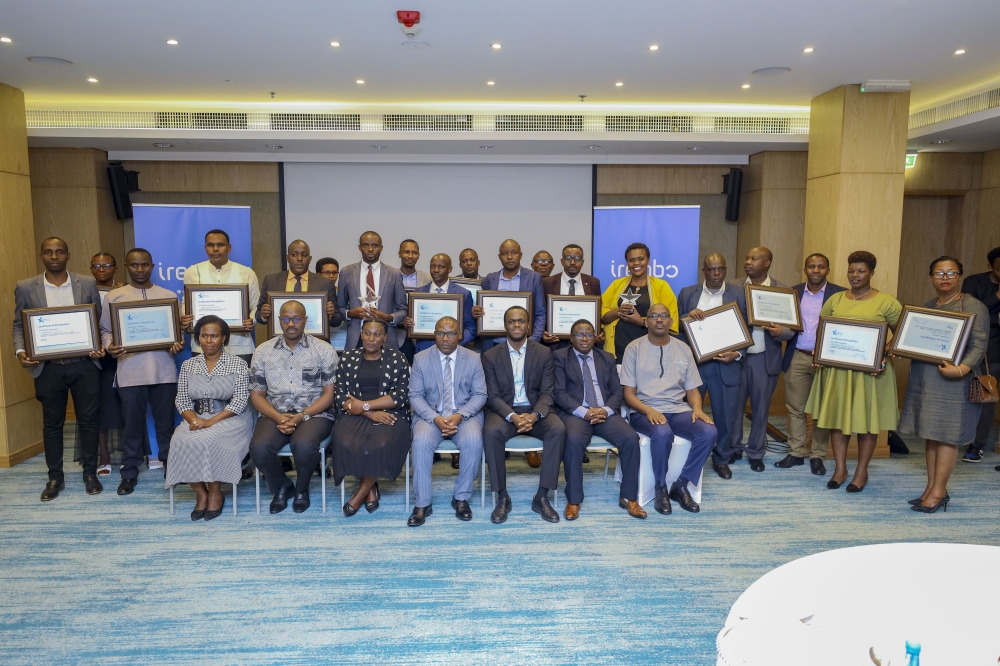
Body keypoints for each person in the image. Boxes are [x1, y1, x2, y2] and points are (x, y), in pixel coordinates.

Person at [13, 237, 105, 501]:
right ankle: (55, 477)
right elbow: (19, 325)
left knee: (89, 421)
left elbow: (96, 321)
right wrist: (21, 352)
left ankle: (90, 473)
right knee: (52, 423)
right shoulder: (26, 287)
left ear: (68, 255)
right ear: (41, 255)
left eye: (60, 252)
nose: (54, 256)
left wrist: (98, 345)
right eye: (49, 252)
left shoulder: (86, 283)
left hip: (85, 366)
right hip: (47, 368)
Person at [806, 251, 903, 493]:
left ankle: (861, 471)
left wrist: (883, 354)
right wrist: (819, 355)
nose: (855, 275)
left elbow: (900, 336)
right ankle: (840, 469)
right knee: (837, 421)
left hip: (869, 375)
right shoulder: (836, 299)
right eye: (851, 271)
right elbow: (823, 331)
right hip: (838, 372)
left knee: (866, 423)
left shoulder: (887, 302)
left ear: (871, 273)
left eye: (861, 271)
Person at [898, 257, 989, 513]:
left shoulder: (973, 306)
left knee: (947, 436)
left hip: (955, 382)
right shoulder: (927, 306)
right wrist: (900, 349)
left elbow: (979, 344)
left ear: (960, 276)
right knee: (932, 435)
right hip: (927, 380)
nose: (945, 278)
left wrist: (961, 369)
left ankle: (938, 492)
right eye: (939, 273)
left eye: (951, 273)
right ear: (931, 277)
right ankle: (932, 487)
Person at [101, 248, 185, 496]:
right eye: (135, 265)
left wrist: (177, 343)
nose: (140, 269)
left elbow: (175, 332)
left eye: (145, 265)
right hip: (130, 371)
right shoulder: (114, 297)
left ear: (152, 266)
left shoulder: (168, 296)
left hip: (164, 370)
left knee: (165, 423)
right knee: (132, 424)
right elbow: (105, 330)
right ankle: (129, 471)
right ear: (127, 267)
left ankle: (172, 465)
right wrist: (110, 346)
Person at [620, 304, 716, 515]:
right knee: (663, 433)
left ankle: (681, 485)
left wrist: (697, 409)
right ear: (646, 322)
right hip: (644, 411)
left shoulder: (684, 348)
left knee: (709, 431)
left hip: (677, 409)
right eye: (654, 316)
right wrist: (648, 410)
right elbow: (628, 395)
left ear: (671, 321)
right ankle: (660, 487)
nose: (659, 320)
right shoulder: (633, 348)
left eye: (664, 316)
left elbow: (692, 390)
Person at [249, 300, 338, 514]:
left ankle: (301, 489)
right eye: (286, 319)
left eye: (296, 318)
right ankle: (282, 485)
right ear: (279, 321)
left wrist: (301, 416)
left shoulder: (323, 351)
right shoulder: (263, 351)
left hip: (314, 413)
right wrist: (278, 417)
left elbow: (329, 395)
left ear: (305, 321)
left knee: (304, 444)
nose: (291, 324)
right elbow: (257, 395)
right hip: (274, 413)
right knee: (258, 448)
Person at [481, 306, 566, 524]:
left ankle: (542, 496)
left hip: (536, 410)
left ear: (528, 325)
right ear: (505, 325)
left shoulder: (544, 352)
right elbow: (492, 396)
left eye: (521, 321)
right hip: (505, 412)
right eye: (512, 321)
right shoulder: (490, 356)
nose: (517, 325)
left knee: (558, 429)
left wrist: (535, 415)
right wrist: (513, 417)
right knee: (491, 433)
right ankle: (502, 497)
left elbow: (548, 392)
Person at [553, 319, 645, 520]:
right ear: (571, 338)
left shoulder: (607, 358)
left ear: (596, 337)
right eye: (579, 334)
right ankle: (574, 500)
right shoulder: (560, 357)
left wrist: (605, 410)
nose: (584, 338)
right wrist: (584, 412)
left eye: (589, 334)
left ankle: (629, 497)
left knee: (630, 438)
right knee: (574, 441)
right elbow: (559, 393)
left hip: (605, 412)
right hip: (576, 413)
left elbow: (616, 391)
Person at [166, 316, 254, 521]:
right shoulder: (189, 365)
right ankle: (201, 493)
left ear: (223, 338)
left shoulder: (238, 364)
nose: (208, 340)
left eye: (214, 336)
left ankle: (215, 491)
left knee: (210, 440)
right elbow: (182, 400)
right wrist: (194, 420)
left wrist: (210, 423)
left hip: (231, 418)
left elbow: (240, 401)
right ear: (198, 338)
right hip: (196, 417)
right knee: (179, 441)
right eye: (204, 336)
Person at [407, 317, 487, 526]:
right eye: (440, 333)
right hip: (431, 414)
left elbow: (480, 394)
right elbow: (415, 395)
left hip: (463, 414)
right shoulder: (421, 358)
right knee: (421, 442)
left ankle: (461, 498)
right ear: (434, 334)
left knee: (473, 441)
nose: (445, 338)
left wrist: (460, 415)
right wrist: (436, 418)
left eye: (451, 333)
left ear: (459, 335)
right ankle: (423, 502)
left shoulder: (473, 358)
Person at [676, 253, 746, 480]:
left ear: (725, 270)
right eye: (712, 270)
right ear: (703, 271)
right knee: (689, 415)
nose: (717, 274)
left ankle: (721, 458)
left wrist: (737, 353)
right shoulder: (688, 293)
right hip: (694, 366)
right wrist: (687, 316)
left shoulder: (739, 293)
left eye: (721, 269)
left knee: (724, 416)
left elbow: (749, 328)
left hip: (725, 366)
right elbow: (676, 326)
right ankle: (686, 457)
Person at [775, 253, 846, 475]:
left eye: (821, 267)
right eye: (811, 266)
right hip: (796, 355)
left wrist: (826, 351)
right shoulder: (792, 293)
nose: (816, 270)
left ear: (828, 270)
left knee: (820, 410)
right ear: (805, 269)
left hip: (824, 361)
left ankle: (817, 455)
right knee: (795, 408)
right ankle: (796, 452)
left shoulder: (841, 295)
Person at [332, 319, 412, 516]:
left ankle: (363, 490)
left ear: (385, 337)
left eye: (377, 334)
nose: (371, 338)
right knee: (345, 441)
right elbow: (340, 395)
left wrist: (366, 405)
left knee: (382, 442)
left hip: (390, 413)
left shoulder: (397, 358)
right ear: (361, 335)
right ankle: (371, 488)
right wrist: (368, 412)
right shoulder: (347, 358)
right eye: (367, 333)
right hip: (353, 412)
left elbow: (400, 396)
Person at [729, 246, 794, 472]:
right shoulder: (733, 287)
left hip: (764, 359)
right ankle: (734, 448)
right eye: (747, 257)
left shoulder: (782, 291)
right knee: (734, 408)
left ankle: (756, 452)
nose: (748, 261)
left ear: (767, 263)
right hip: (736, 358)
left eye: (754, 258)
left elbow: (792, 328)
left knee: (761, 409)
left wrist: (781, 333)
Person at [181, 229, 260, 364]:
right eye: (211, 245)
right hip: (204, 347)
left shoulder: (246, 273)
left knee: (240, 384)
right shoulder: (192, 272)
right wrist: (186, 316)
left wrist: (251, 320)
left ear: (229, 247)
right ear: (205, 248)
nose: (215, 249)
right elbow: (185, 304)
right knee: (205, 384)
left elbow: (256, 307)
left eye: (220, 245)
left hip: (239, 345)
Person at [600, 242, 679, 361]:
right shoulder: (616, 285)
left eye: (641, 259)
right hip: (618, 351)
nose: (636, 263)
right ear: (627, 263)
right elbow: (602, 316)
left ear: (648, 260)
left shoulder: (662, 286)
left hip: (650, 353)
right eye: (631, 260)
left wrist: (642, 322)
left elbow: (670, 322)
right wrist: (618, 312)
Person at [959, 246, 1000, 463]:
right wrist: (997, 296)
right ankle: (976, 446)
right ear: (990, 267)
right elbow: (972, 315)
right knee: (985, 397)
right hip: (986, 350)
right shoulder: (974, 283)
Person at [336, 231, 408, 351]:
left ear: (381, 248)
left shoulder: (394, 274)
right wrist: (351, 314)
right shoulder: (346, 272)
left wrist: (388, 317)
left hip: (386, 338)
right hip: (356, 338)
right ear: (359, 247)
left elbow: (403, 310)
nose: (370, 249)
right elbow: (340, 307)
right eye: (366, 245)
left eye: (375, 245)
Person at [88, 252, 125, 476]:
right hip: (95, 357)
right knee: (99, 406)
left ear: (115, 267)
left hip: (123, 354)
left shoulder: (125, 289)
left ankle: (131, 453)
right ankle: (104, 456)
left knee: (127, 404)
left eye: (107, 265)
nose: (102, 269)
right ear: (91, 268)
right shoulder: (83, 289)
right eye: (96, 265)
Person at [475, 239, 547, 351]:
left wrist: (533, 340)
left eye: (514, 253)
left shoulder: (534, 278)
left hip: (524, 344)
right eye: (504, 253)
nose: (509, 257)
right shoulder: (489, 279)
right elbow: (483, 309)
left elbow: (540, 313)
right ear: (499, 257)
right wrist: (477, 312)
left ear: (520, 255)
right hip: (494, 344)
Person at [257, 239, 342, 330]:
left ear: (309, 259)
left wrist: (331, 315)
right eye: (294, 254)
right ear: (287, 258)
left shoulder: (325, 283)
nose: (299, 259)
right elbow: (258, 314)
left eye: (304, 255)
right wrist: (263, 315)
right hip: (281, 339)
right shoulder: (271, 281)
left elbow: (337, 321)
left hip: (316, 339)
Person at [403, 253, 476, 353]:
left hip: (454, 350)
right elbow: (412, 326)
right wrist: (408, 324)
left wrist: (454, 342)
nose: (436, 270)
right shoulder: (418, 294)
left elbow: (471, 328)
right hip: (424, 350)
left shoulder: (463, 294)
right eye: (433, 266)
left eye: (441, 267)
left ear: (450, 269)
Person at [541, 243, 603, 351]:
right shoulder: (547, 283)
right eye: (568, 258)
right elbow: (540, 312)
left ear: (582, 262)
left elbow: (598, 312)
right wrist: (543, 333)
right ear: (562, 261)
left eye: (577, 259)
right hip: (556, 344)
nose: (573, 262)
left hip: (585, 344)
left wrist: (598, 333)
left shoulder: (593, 282)